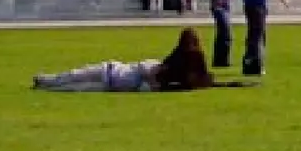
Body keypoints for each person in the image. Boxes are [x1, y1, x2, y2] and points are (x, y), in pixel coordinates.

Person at [33, 29, 217, 94]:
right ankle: (44, 81)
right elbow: (149, 70)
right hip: (110, 69)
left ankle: (46, 85)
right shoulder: (155, 66)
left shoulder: (154, 83)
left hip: (110, 83)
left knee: (73, 87)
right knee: (73, 76)